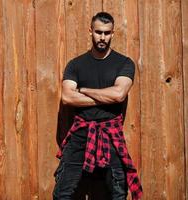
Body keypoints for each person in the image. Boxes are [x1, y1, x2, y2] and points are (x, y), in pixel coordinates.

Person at [53, 12, 143, 200]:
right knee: (62, 193)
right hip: (79, 134)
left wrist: (84, 90)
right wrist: (105, 96)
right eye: (98, 32)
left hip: (111, 134)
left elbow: (119, 94)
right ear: (90, 31)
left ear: (113, 33)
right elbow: (68, 98)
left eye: (107, 33)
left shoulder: (124, 63)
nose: (102, 37)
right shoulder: (75, 65)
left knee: (118, 193)